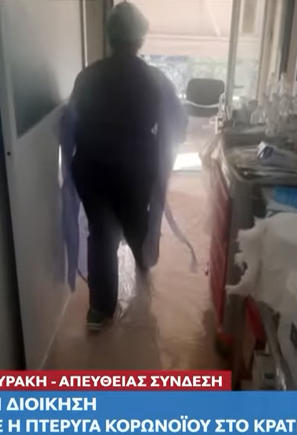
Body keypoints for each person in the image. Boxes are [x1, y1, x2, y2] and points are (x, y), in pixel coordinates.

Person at [68, 2, 187, 331]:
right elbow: (179, 124)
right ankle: (144, 258)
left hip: (91, 167)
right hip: (136, 168)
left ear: (110, 37)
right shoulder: (155, 79)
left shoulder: (87, 77)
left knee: (101, 233)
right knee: (136, 218)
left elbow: (71, 123)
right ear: (140, 39)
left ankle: (99, 310)